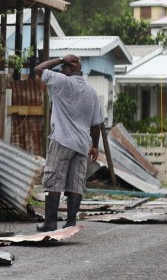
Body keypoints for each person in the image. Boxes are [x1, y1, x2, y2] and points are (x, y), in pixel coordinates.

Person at [34, 53, 104, 231]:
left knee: (54, 179)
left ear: (71, 68)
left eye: (63, 67)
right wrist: (95, 145)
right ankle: (70, 221)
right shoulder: (92, 92)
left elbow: (39, 69)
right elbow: (96, 124)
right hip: (81, 144)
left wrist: (59, 58)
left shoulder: (62, 82)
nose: (60, 70)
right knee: (75, 183)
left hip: (62, 140)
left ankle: (50, 222)